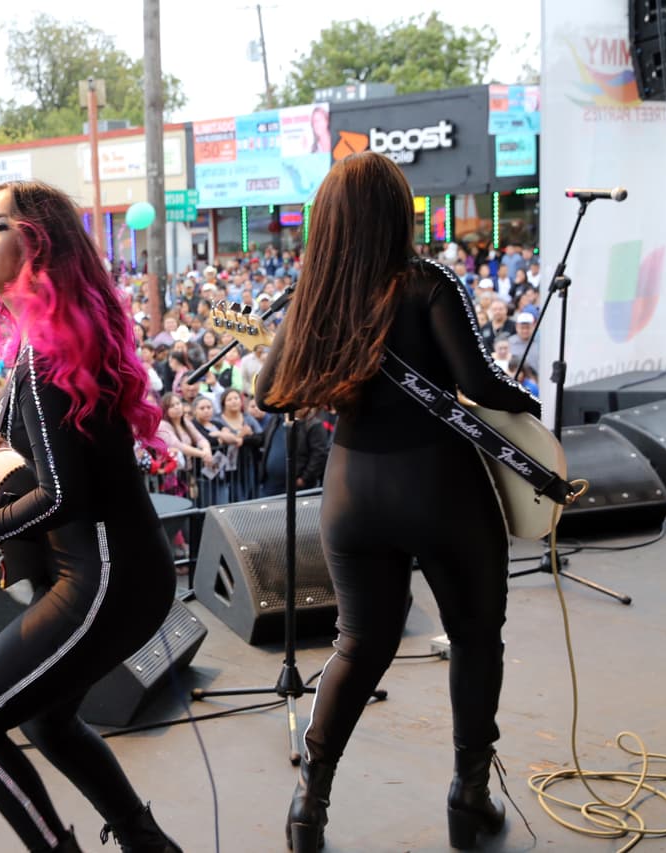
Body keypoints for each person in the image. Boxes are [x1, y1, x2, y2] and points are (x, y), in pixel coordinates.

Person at [254, 153, 540, 852]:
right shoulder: (428, 282)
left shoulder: (313, 294)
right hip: (439, 485)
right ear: (396, 213)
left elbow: (268, 393)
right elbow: (477, 380)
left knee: (358, 643)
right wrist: (527, 407)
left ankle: (309, 802)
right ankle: (468, 797)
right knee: (474, 636)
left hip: (353, 491)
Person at [0, 180, 181, 853]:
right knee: (50, 723)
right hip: (119, 569)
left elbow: (62, 497)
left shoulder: (44, 355)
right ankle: (150, 845)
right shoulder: (55, 339)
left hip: (106, 577)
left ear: (39, 244)